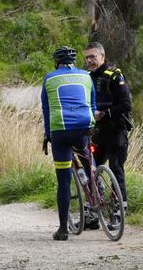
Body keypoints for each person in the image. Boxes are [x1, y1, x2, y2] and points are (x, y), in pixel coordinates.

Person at [41, 45, 95, 241]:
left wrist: (48, 135)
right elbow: (93, 103)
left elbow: (46, 110)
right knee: (87, 159)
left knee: (63, 181)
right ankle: (97, 189)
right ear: (74, 62)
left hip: (61, 131)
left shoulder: (49, 78)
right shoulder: (86, 76)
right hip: (84, 127)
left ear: (57, 62)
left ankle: (63, 229)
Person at [83, 41, 132, 207]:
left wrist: (103, 114)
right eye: (87, 58)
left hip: (116, 132)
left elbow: (126, 105)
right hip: (97, 134)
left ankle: (119, 209)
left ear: (102, 57)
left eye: (92, 56)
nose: (89, 61)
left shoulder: (114, 76)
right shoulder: (86, 77)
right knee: (90, 170)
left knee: (116, 170)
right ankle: (93, 207)